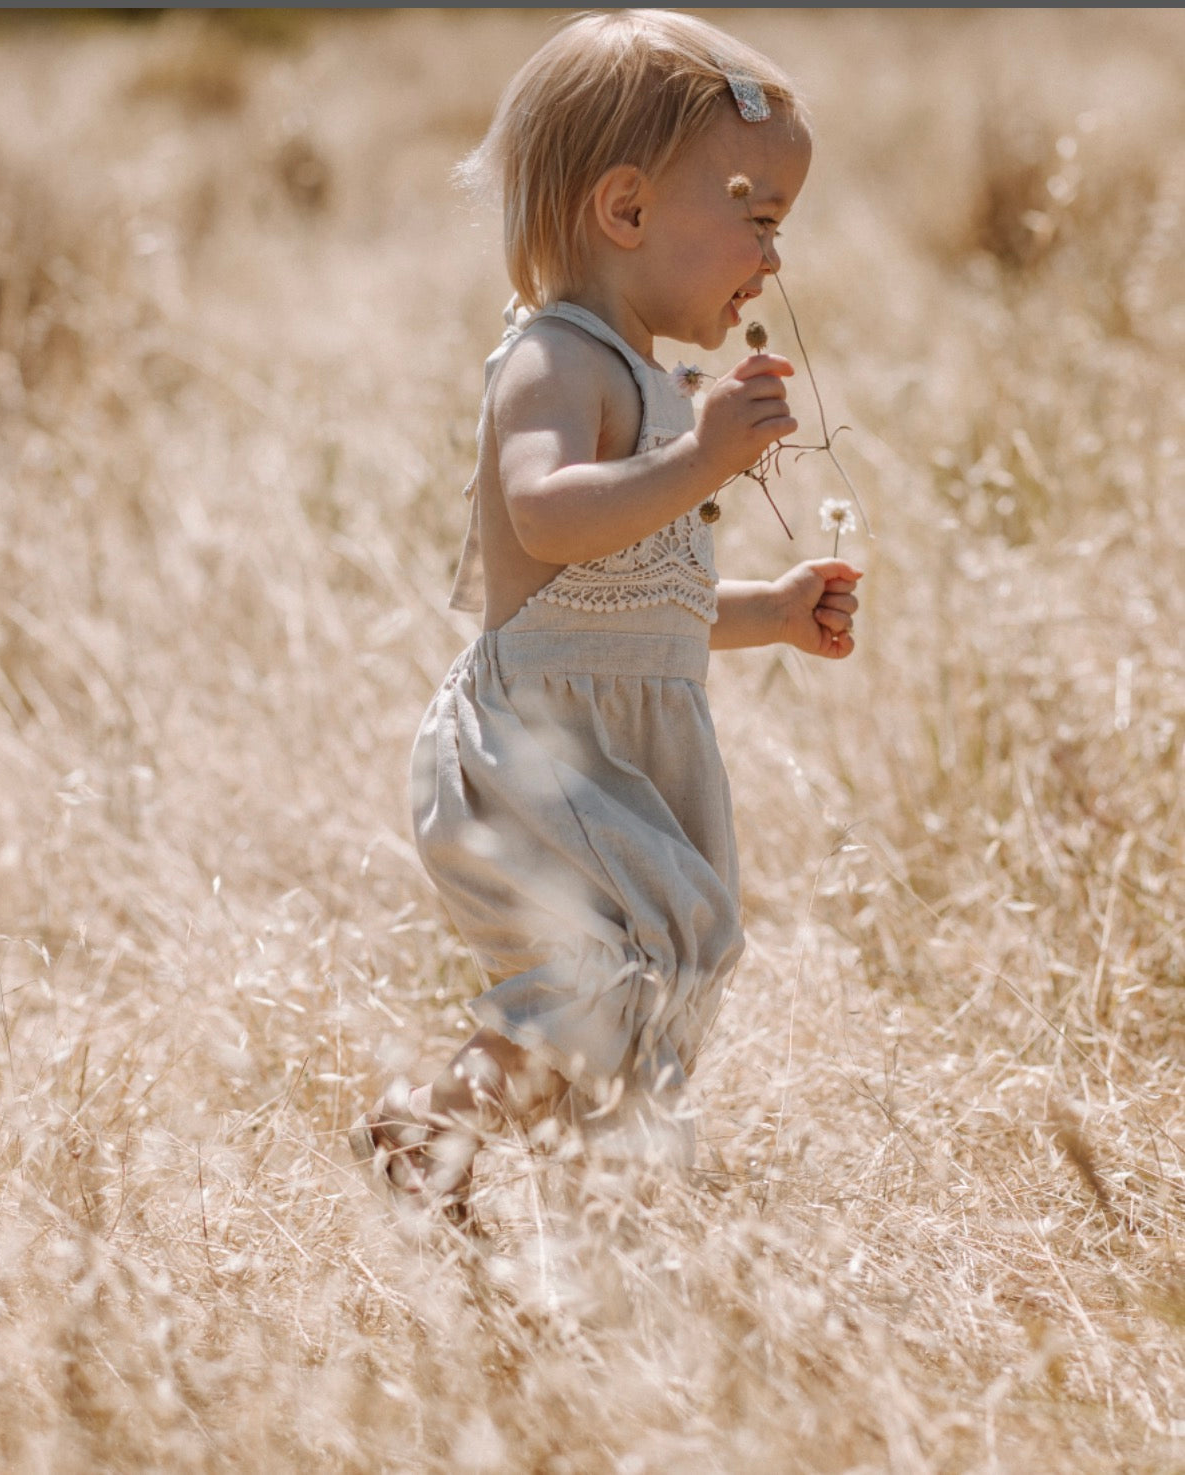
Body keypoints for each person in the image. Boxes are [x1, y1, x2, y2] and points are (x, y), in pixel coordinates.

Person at [349, 9, 863, 1220]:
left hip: (619, 735)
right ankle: (432, 1127)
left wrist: (775, 608)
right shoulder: (555, 360)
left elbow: (645, 601)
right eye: (760, 217)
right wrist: (698, 463)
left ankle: (582, 1191)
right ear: (624, 212)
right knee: (604, 971)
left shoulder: (653, 383)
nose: (773, 260)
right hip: (536, 744)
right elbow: (548, 519)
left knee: (669, 957)